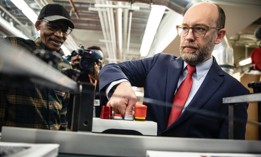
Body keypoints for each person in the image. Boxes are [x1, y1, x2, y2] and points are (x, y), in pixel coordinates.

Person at [99, 2, 249, 139]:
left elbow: (230, 150)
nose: (189, 37)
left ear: (219, 36)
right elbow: (111, 68)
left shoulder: (234, 91)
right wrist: (121, 85)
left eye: (200, 29)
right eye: (184, 28)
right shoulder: (157, 64)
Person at [0, 4, 74, 130]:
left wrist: (64, 137)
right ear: (38, 25)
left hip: (52, 144)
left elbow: (63, 112)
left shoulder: (65, 67)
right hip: (17, 141)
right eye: (53, 27)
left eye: (64, 30)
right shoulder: (15, 47)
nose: (59, 34)